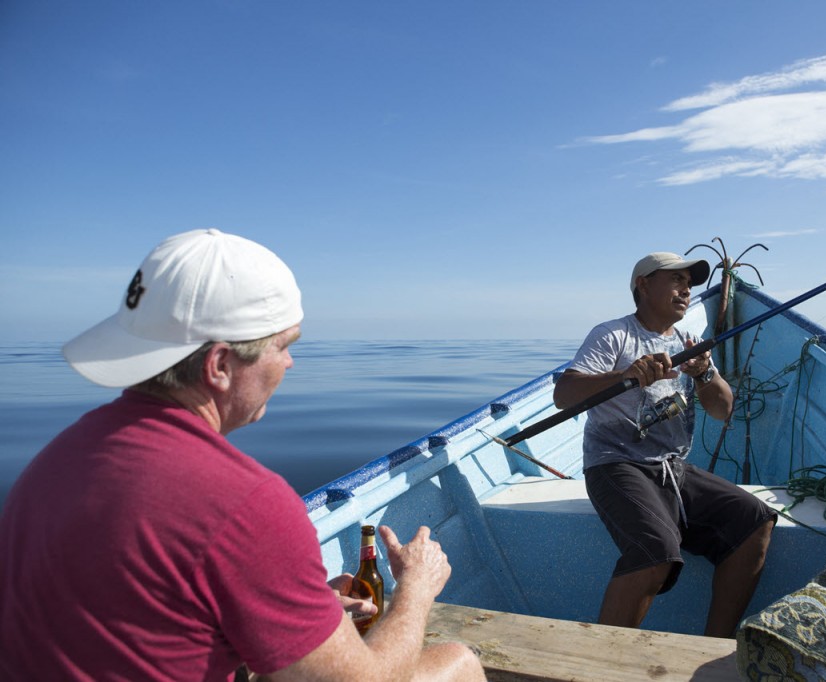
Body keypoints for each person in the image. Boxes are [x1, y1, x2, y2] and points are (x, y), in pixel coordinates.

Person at [0, 229, 484, 681]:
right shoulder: (245, 505)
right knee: (458, 663)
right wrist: (416, 592)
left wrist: (296, 611)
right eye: (283, 345)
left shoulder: (54, 461)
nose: (290, 363)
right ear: (220, 364)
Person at [553, 251, 776, 638]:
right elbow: (564, 394)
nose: (686, 287)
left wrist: (705, 372)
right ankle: (601, 663)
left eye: (689, 282)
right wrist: (626, 375)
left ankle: (713, 646)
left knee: (755, 519)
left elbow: (723, 410)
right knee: (656, 550)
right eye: (675, 279)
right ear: (642, 285)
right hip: (616, 464)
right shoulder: (613, 334)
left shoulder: (689, 343)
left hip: (672, 468)